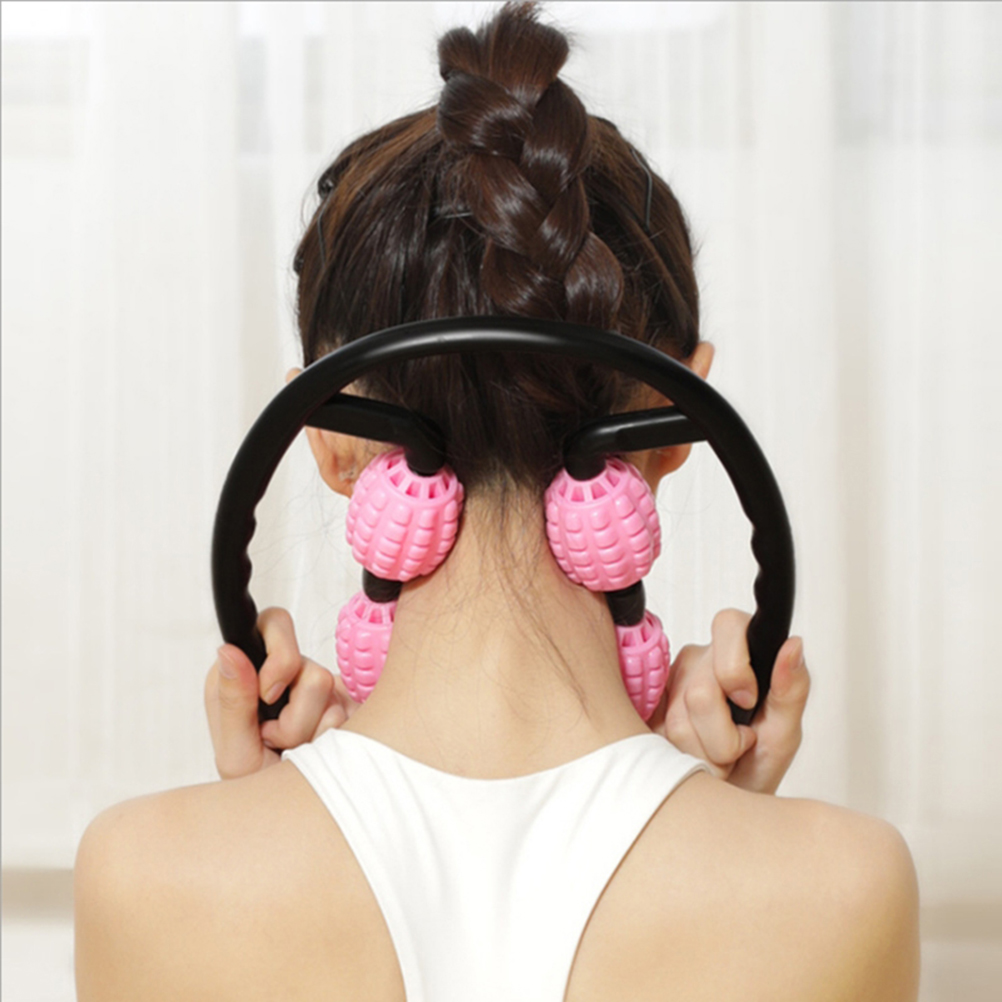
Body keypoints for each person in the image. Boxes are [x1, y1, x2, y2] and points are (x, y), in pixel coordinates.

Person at [74, 5, 919, 1000]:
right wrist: (732, 830)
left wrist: (250, 848)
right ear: (677, 416)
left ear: (326, 431)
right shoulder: (843, 888)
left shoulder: (146, 877)